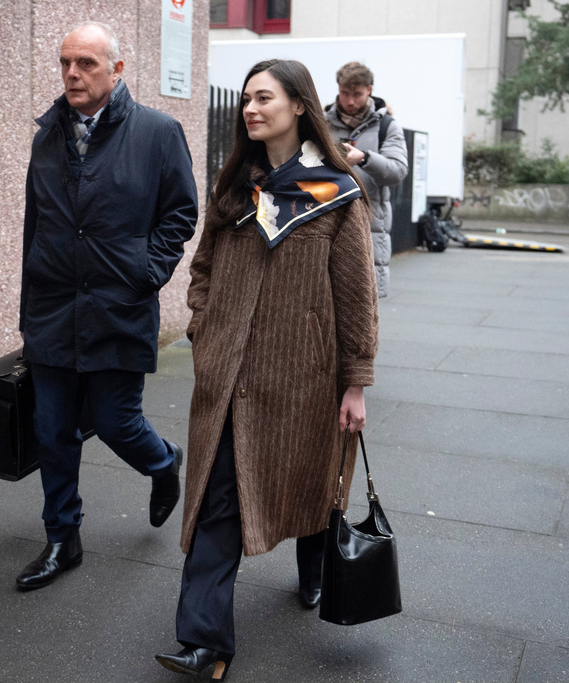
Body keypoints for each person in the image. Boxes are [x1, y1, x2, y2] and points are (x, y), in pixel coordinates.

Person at [154, 59, 379, 680]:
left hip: (305, 377)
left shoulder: (336, 193)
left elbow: (357, 298)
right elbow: (201, 270)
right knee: (216, 497)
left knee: (309, 486)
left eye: (264, 98)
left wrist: (355, 382)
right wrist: (204, 328)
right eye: (247, 99)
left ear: (300, 106)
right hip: (227, 378)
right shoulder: (234, 189)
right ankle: (206, 641)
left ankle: (314, 571)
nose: (251, 109)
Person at [16, 21, 198, 591]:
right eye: (65, 62)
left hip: (119, 303)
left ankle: (163, 462)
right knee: (52, 430)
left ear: (117, 70)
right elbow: (35, 224)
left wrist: (146, 272)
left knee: (117, 422)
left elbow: (180, 214)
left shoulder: (158, 133)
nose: (72, 73)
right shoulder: (48, 135)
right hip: (53, 308)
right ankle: (61, 538)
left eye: (86, 63)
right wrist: (30, 301)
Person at [324, 61, 407, 298]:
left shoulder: (386, 126)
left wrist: (364, 158)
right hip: (325, 218)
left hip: (369, 225)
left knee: (363, 304)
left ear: (369, 90)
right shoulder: (321, 121)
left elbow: (398, 171)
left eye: (357, 94)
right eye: (345, 93)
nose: (350, 101)